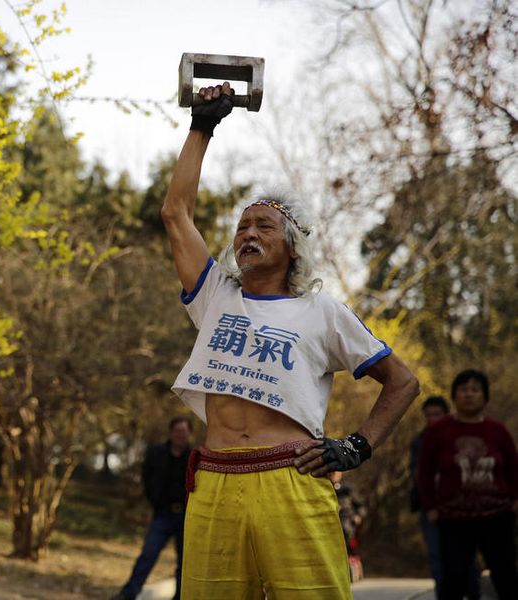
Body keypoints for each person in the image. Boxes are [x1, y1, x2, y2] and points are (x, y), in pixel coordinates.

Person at [161, 82, 420, 599]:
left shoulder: (321, 311)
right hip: (213, 484)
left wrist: (355, 446)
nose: (248, 234)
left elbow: (403, 382)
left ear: (294, 246)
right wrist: (201, 127)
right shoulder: (215, 294)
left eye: (265, 226)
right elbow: (176, 214)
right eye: (242, 227)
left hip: (293, 481)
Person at [417, 369, 518, 600]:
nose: (469, 395)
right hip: (454, 518)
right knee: (454, 578)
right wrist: (431, 507)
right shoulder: (438, 431)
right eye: (463, 389)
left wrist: (515, 500)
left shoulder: (498, 431)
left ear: (485, 396)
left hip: (497, 516)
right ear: (454, 395)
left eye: (475, 389)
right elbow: (424, 472)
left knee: (506, 575)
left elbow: (513, 468)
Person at [111, 416, 193, 600]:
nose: (180, 435)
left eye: (184, 432)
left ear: (190, 434)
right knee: (149, 553)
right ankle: (128, 593)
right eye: (177, 431)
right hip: (163, 513)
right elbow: (147, 477)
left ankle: (181, 597)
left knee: (185, 561)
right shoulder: (156, 453)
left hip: (187, 516)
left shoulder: (195, 457)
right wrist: (154, 500)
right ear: (171, 432)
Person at [409, 396, 481, 599]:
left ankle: (473, 594)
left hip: (462, 506)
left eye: (437, 414)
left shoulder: (461, 436)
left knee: (467, 556)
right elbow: (417, 473)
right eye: (428, 415)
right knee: (437, 557)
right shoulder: (420, 441)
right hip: (431, 508)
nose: (432, 419)